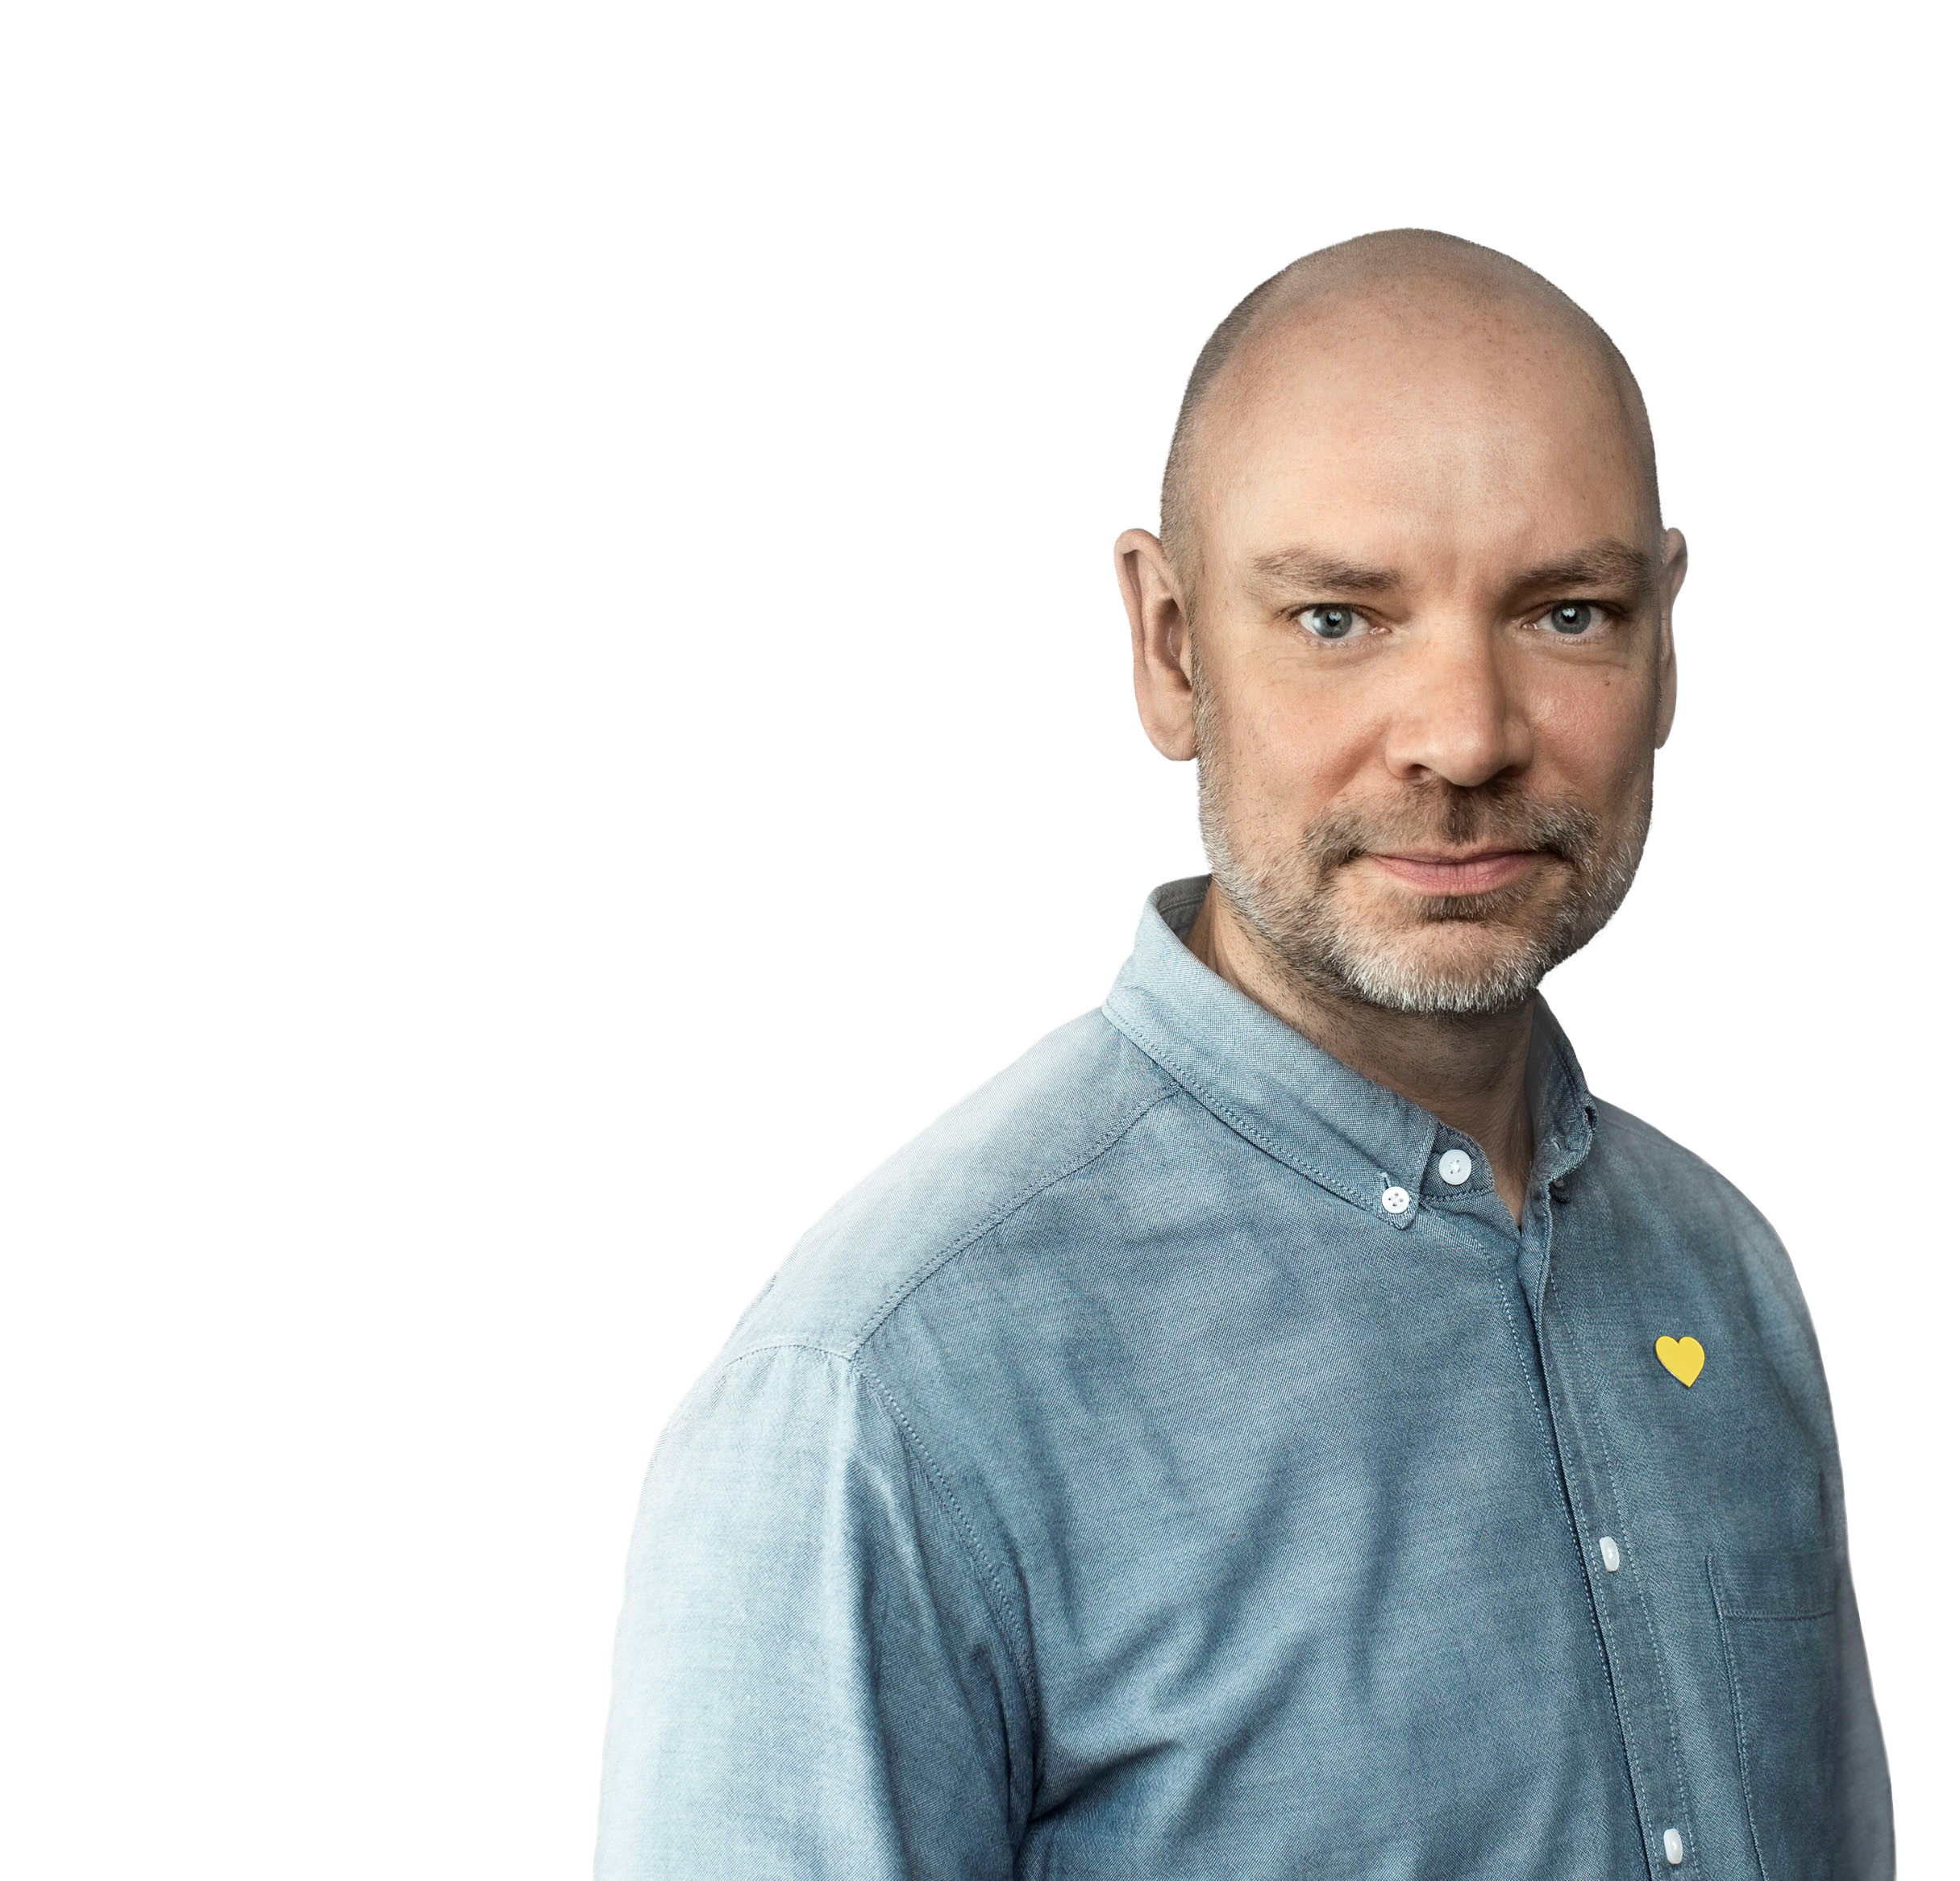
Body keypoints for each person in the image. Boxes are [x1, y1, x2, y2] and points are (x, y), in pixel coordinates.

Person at [596, 228, 1893, 1879]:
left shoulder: (1718, 1279)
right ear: (1171, 643)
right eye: (1340, 618)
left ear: (1664, 642)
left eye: (1566, 612)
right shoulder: (887, 1395)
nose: (1467, 736)